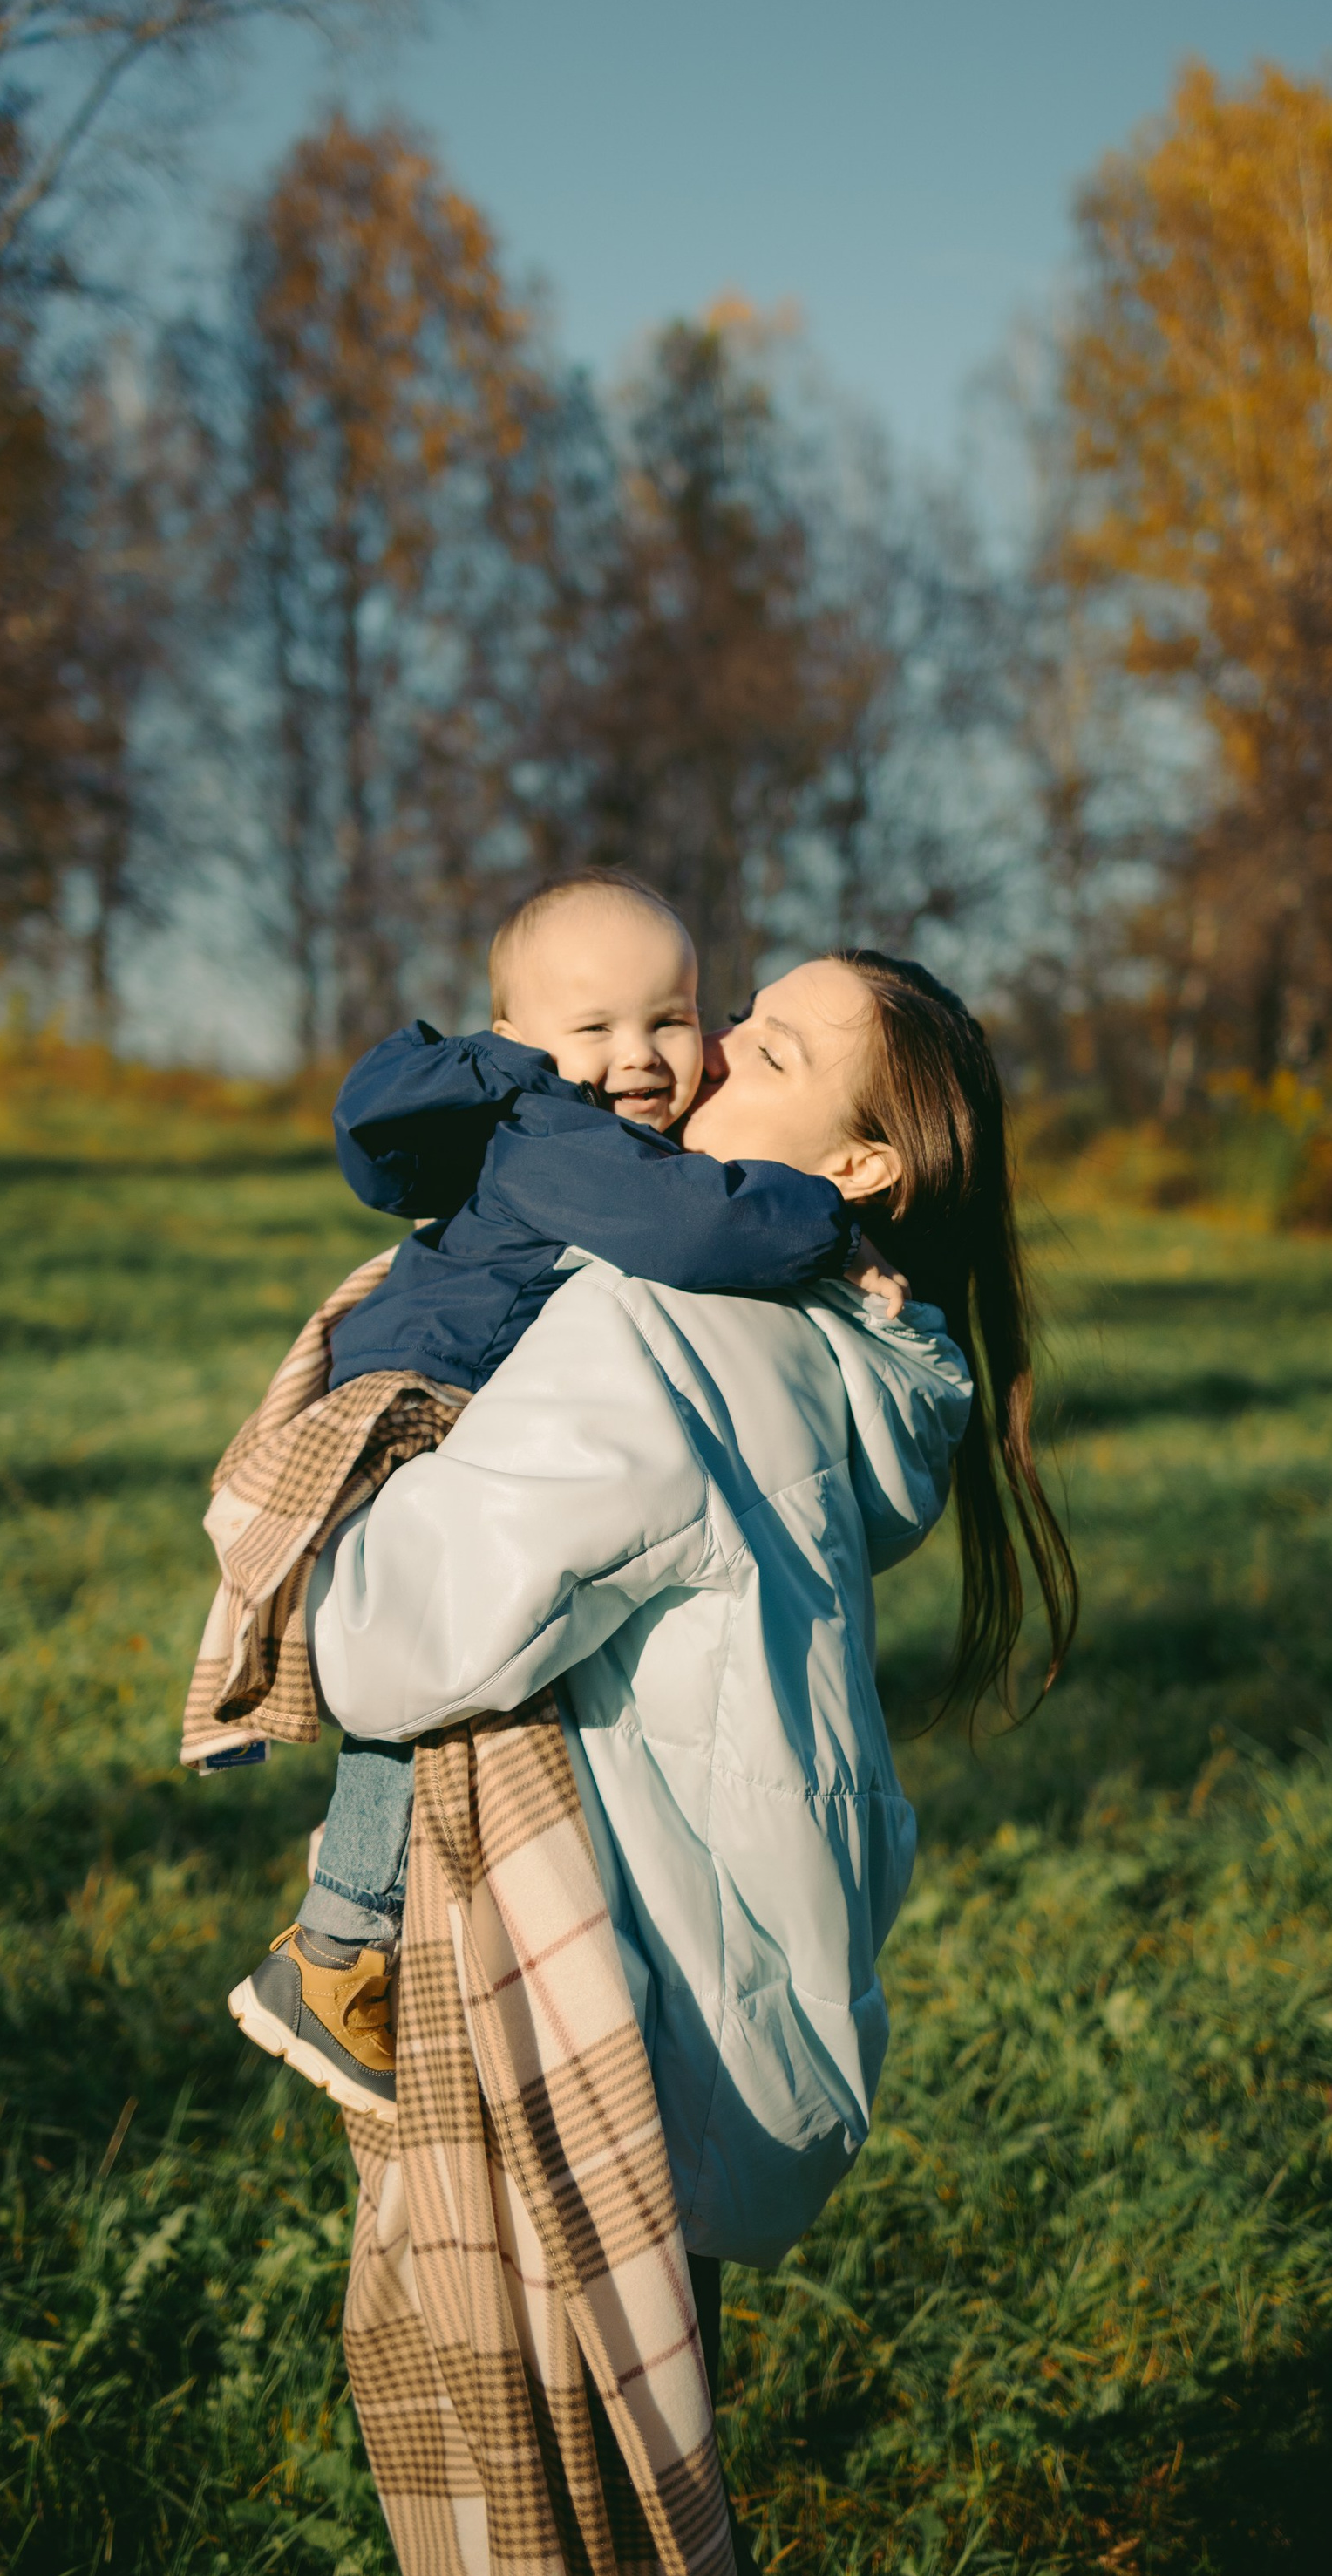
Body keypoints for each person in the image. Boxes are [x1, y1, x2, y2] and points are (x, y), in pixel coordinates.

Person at [307, 947, 1077, 2576]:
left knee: (607, 2546)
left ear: (866, 1164)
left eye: (774, 1049)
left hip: (601, 2013)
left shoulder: (665, 1334)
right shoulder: (850, 1349)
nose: (706, 1052)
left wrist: (354, 1462)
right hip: (726, 1995)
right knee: (671, 2501)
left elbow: (378, 1642)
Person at [234, 869, 905, 2120]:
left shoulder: (581, 1136)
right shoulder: (552, 1133)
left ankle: (343, 1938)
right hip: (429, 1394)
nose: (644, 1055)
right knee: (404, 1709)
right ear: (514, 1040)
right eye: (593, 1027)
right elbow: (694, 1230)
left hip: (452, 1385)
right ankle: (341, 1936)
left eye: (673, 1017)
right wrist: (824, 1220)